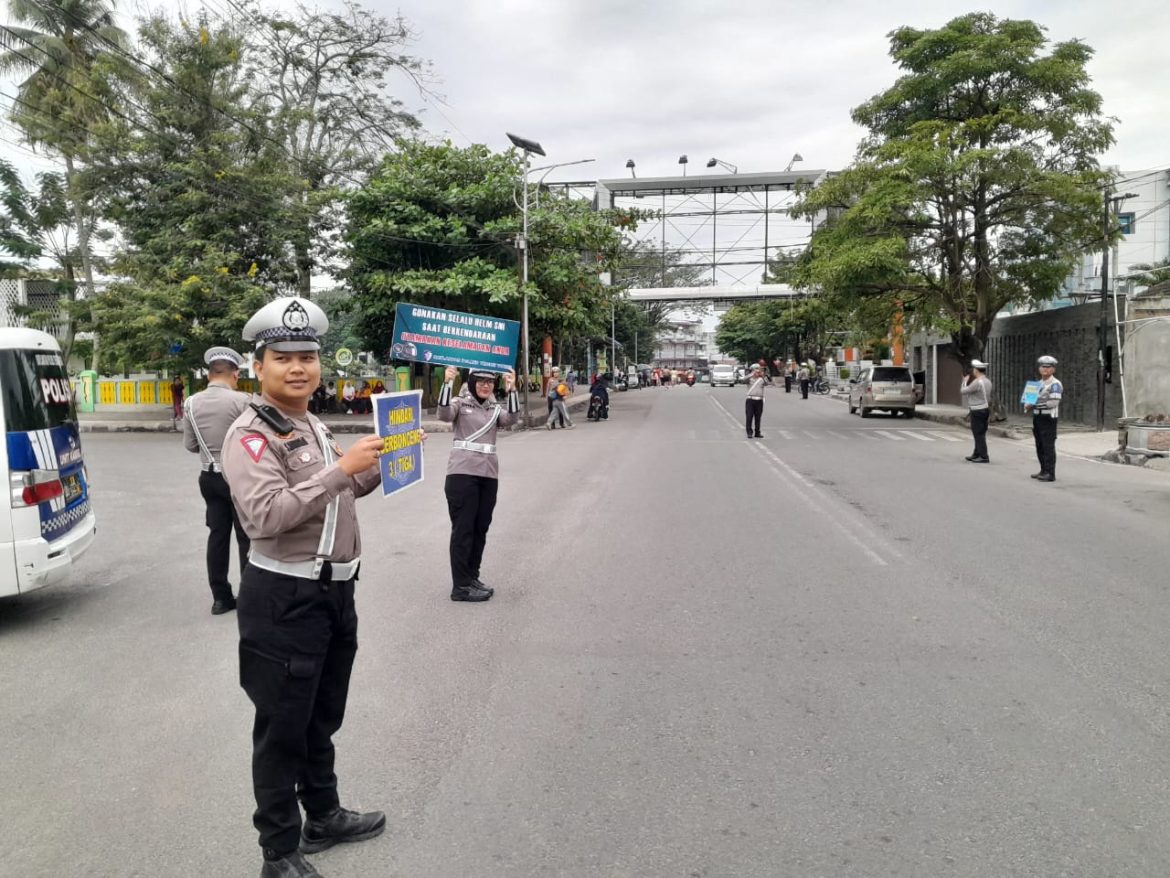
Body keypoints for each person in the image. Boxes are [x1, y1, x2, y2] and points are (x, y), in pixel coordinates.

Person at [221, 296, 391, 878]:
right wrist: (339, 472)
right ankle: (278, 852)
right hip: (285, 598)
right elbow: (265, 517)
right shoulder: (250, 434)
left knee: (321, 714)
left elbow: (339, 491)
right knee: (282, 728)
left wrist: (376, 465)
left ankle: (322, 814)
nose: (298, 368)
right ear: (258, 367)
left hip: (335, 593)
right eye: (283, 357)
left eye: (307, 357)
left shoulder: (311, 423)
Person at [438, 365, 519, 602]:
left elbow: (512, 419)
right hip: (462, 476)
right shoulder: (460, 404)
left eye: (490, 382)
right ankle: (460, 586)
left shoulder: (495, 409)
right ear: (472, 382)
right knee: (463, 530)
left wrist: (512, 389)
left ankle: (472, 576)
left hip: (488, 476)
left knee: (480, 529)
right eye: (481, 381)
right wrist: (447, 382)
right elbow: (443, 415)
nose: (486, 385)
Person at [182, 346, 252, 615]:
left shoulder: (191, 403)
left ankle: (221, 598)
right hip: (238, 477)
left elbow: (190, 445)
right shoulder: (242, 402)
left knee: (217, 536)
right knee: (245, 536)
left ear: (209, 375)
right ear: (234, 375)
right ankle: (248, 596)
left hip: (209, 477)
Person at [1025, 354, 1062, 482]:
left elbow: (1053, 403)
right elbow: (1027, 404)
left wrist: (1034, 401)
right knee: (1039, 445)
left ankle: (1050, 473)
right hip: (1037, 417)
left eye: (1048, 367)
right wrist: (1027, 404)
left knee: (1048, 446)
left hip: (1048, 418)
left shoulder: (1055, 384)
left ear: (1053, 369)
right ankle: (1043, 470)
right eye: (1042, 366)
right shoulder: (1036, 384)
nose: (1045, 369)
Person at [960, 359, 993, 463]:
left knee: (978, 433)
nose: (973, 371)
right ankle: (976, 453)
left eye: (974, 369)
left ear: (976, 370)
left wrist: (964, 381)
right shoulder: (987, 381)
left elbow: (963, 391)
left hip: (977, 410)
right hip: (984, 409)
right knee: (980, 432)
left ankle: (983, 456)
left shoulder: (977, 382)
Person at [744, 363, 769, 438]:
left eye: (759, 370)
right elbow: (743, 379)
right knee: (749, 416)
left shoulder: (762, 379)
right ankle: (749, 432)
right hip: (750, 400)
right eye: (756, 370)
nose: (758, 371)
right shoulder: (749, 379)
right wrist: (752, 374)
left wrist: (762, 375)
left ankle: (757, 432)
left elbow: (767, 383)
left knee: (758, 417)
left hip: (759, 401)